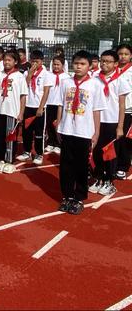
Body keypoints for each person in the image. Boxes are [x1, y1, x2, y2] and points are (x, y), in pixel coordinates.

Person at [56, 50, 106, 215]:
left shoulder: (95, 85)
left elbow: (97, 111)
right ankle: (67, 195)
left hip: (84, 132)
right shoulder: (65, 82)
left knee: (81, 166)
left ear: (89, 65)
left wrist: (96, 133)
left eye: (82, 64)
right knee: (65, 166)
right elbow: (61, 105)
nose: (78, 67)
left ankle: (79, 197)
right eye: (76, 63)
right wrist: (59, 125)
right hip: (67, 130)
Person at [89, 50, 131, 196]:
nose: (104, 64)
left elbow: (121, 105)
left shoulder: (120, 80)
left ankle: (109, 181)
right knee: (96, 151)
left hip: (112, 122)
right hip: (97, 121)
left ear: (115, 63)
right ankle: (98, 177)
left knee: (110, 153)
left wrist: (120, 127)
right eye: (102, 61)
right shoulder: (94, 79)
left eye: (108, 61)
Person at [17, 50, 54, 165]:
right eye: (32, 61)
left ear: (41, 61)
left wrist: (41, 107)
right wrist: (30, 74)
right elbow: (24, 86)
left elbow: (46, 92)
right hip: (28, 106)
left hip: (39, 107)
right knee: (26, 131)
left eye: (37, 61)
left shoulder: (46, 74)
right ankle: (27, 151)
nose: (34, 64)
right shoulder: (26, 73)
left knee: (39, 133)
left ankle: (39, 153)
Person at [0, 50, 27, 174]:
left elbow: (23, 96)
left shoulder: (19, 76)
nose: (6, 62)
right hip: (0, 110)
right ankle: (1, 158)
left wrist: (21, 113)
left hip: (12, 111)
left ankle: (10, 160)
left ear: (15, 62)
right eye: (5, 60)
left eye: (9, 60)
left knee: (10, 137)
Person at [45, 56, 68, 154]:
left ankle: (59, 144)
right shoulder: (49, 75)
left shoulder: (66, 77)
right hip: (50, 103)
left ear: (62, 65)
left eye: (58, 64)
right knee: (49, 124)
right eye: (54, 64)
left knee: (58, 124)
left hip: (60, 105)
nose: (56, 66)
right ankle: (51, 142)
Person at [116, 43, 132, 179]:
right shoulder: (112, 69)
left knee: (125, 140)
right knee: (113, 138)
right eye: (121, 54)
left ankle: (123, 165)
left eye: (126, 54)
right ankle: (113, 162)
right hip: (112, 110)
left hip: (128, 110)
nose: (123, 57)